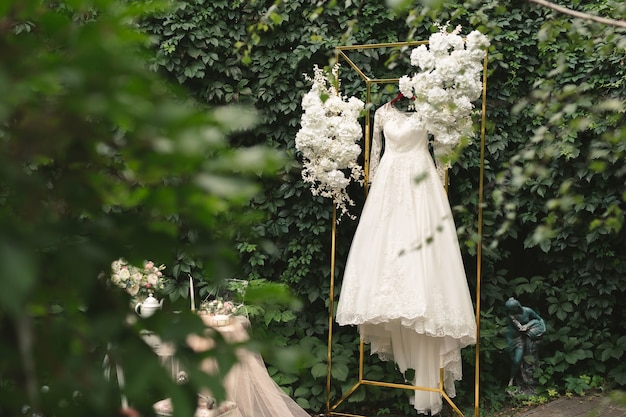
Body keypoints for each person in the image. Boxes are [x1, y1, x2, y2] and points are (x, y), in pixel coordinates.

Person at [335, 101, 477, 415]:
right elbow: (373, 161)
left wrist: (439, 185)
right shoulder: (382, 114)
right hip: (387, 189)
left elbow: (442, 159)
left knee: (424, 261)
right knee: (387, 255)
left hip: (422, 188)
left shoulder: (431, 111)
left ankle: (429, 377)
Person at [504, 297, 546, 390]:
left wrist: (542, 328)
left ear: (517, 306)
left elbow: (538, 319)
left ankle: (512, 380)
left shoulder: (528, 310)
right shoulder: (511, 315)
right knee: (511, 359)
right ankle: (514, 379)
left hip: (520, 338)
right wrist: (527, 326)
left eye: (512, 309)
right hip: (511, 337)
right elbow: (519, 327)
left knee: (517, 360)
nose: (510, 311)